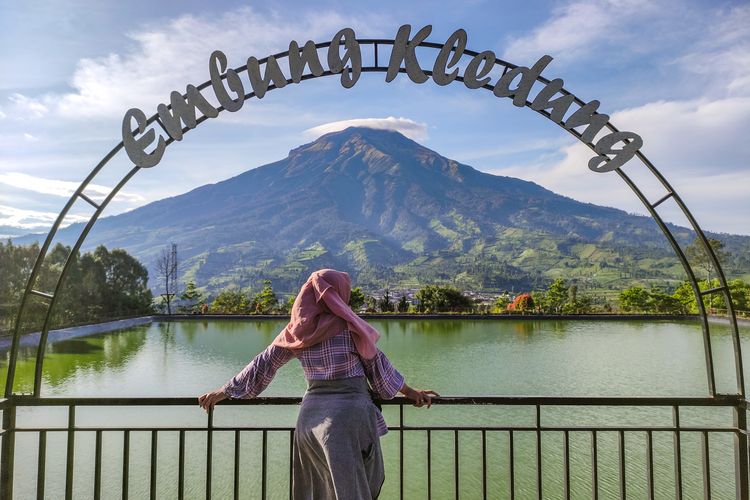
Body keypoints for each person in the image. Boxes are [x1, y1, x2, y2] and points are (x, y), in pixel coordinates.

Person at [198, 269, 438, 499]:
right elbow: (379, 370)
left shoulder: (297, 332)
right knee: (353, 488)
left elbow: (262, 364)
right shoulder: (349, 327)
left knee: (316, 488)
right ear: (338, 293)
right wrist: (410, 392)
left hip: (310, 424)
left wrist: (224, 391)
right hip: (348, 421)